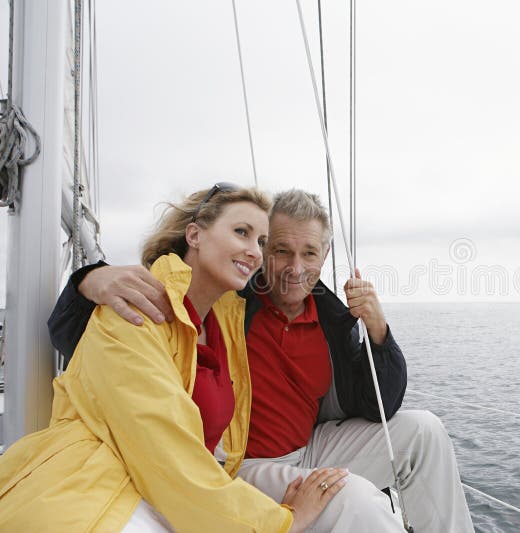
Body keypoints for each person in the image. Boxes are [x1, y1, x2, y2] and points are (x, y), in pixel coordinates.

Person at [49, 189, 475, 532]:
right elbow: (92, 334)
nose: (294, 268)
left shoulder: (330, 317)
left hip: (310, 447)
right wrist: (89, 278)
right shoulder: (233, 300)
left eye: (309, 254)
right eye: (280, 250)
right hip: (246, 463)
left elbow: (380, 403)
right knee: (352, 497)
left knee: (424, 429)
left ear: (323, 258)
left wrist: (379, 333)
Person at [0, 184, 349, 532]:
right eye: (242, 232)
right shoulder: (136, 310)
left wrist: (373, 330)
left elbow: (294, 282)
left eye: (260, 242)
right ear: (195, 235)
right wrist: (283, 521)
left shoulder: (225, 317)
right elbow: (166, 452)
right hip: (96, 495)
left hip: (168, 496)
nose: (255, 252)